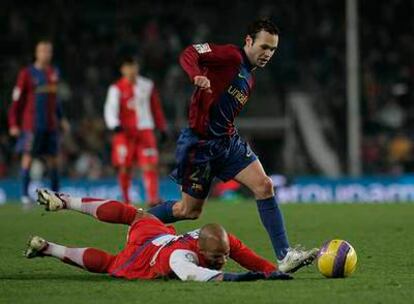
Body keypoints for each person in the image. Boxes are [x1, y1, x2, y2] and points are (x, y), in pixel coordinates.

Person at [147, 19, 318, 272]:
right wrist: (195, 73)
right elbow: (190, 52)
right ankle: (142, 220)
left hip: (227, 142)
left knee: (264, 185)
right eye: (264, 47)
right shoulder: (229, 56)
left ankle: (285, 256)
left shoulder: (250, 78)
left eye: (272, 50)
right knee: (188, 210)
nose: (267, 54)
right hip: (200, 144)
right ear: (248, 41)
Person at [25, 189, 293, 282]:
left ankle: (63, 204)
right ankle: (50, 246)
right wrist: (245, 278)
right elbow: (201, 275)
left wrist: (271, 272)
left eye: (224, 255)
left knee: (139, 216)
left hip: (158, 235)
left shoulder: (217, 239)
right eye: (216, 256)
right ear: (201, 247)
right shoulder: (182, 258)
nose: (222, 260)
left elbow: (245, 255)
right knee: (110, 264)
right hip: (146, 254)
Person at [8, 39, 69, 206]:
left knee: (55, 159)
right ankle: (24, 196)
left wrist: (61, 118)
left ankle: (57, 196)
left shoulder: (54, 72)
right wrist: (13, 123)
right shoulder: (27, 74)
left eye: (48, 51)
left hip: (51, 125)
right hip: (32, 125)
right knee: (27, 157)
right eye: (43, 51)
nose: (46, 54)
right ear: (36, 53)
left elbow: (55, 100)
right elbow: (17, 100)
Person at [104, 56, 168, 206]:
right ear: (122, 69)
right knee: (125, 168)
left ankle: (153, 198)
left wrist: (162, 127)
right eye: (128, 67)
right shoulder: (116, 88)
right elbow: (110, 108)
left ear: (137, 67)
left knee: (150, 165)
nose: (131, 70)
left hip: (145, 131)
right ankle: (126, 201)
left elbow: (155, 108)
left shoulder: (147, 85)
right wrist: (114, 124)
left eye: (133, 66)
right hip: (124, 133)